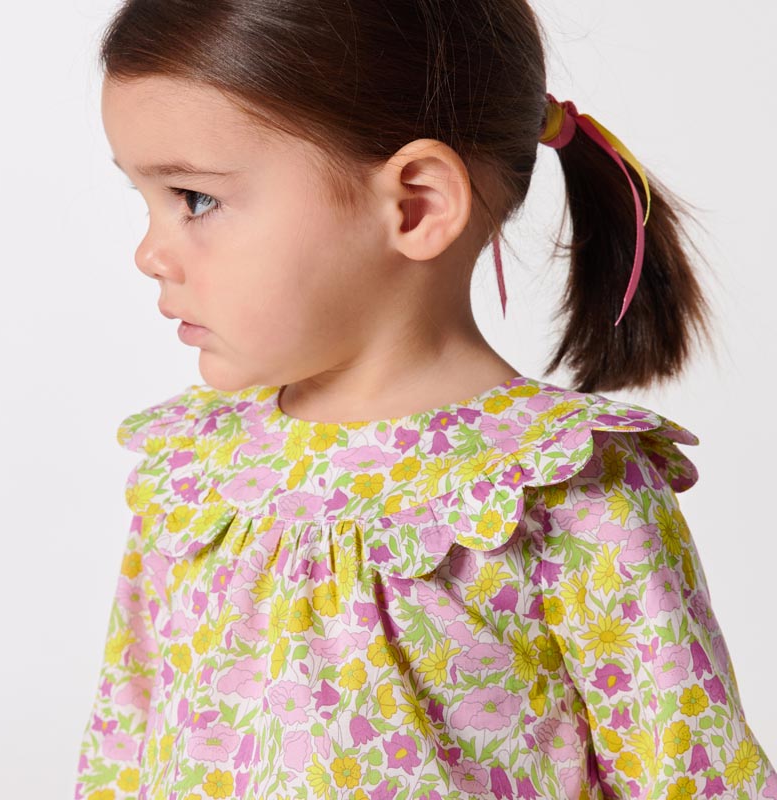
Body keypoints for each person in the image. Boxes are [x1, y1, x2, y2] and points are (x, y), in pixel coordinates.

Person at [74, 1, 776, 798]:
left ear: (416, 204)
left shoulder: (562, 486)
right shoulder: (195, 476)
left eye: (194, 199)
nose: (149, 253)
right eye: (146, 201)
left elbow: (687, 772)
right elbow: (121, 752)